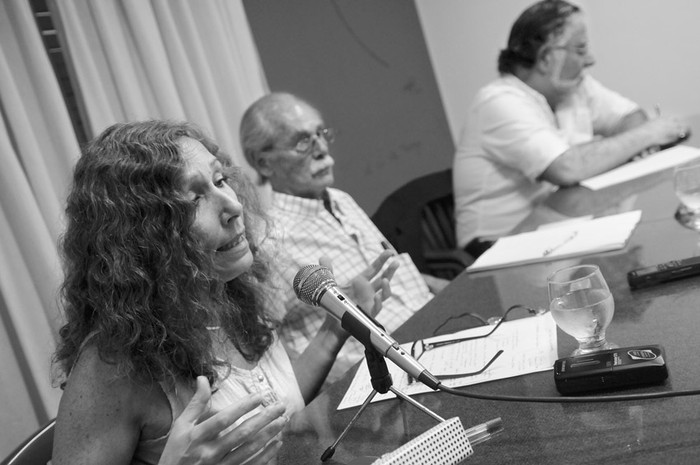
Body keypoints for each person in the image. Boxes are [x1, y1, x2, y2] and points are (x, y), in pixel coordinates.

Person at [51, 120, 390, 464]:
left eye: (220, 180)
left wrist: (335, 329)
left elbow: (271, 414)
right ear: (141, 238)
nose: (233, 207)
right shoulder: (112, 364)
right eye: (196, 198)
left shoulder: (228, 295)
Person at [453, 0, 691, 258]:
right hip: (501, 245)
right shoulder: (498, 102)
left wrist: (597, 153)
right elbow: (567, 169)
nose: (590, 59)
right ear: (546, 57)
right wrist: (650, 134)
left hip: (564, 219)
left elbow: (631, 117)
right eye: (580, 49)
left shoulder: (574, 87)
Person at [239, 92, 450, 382]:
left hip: (435, 335)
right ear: (263, 163)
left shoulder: (339, 199)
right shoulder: (269, 240)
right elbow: (271, 348)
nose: (323, 149)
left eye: (321, 134)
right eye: (303, 142)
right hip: (382, 373)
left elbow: (390, 279)